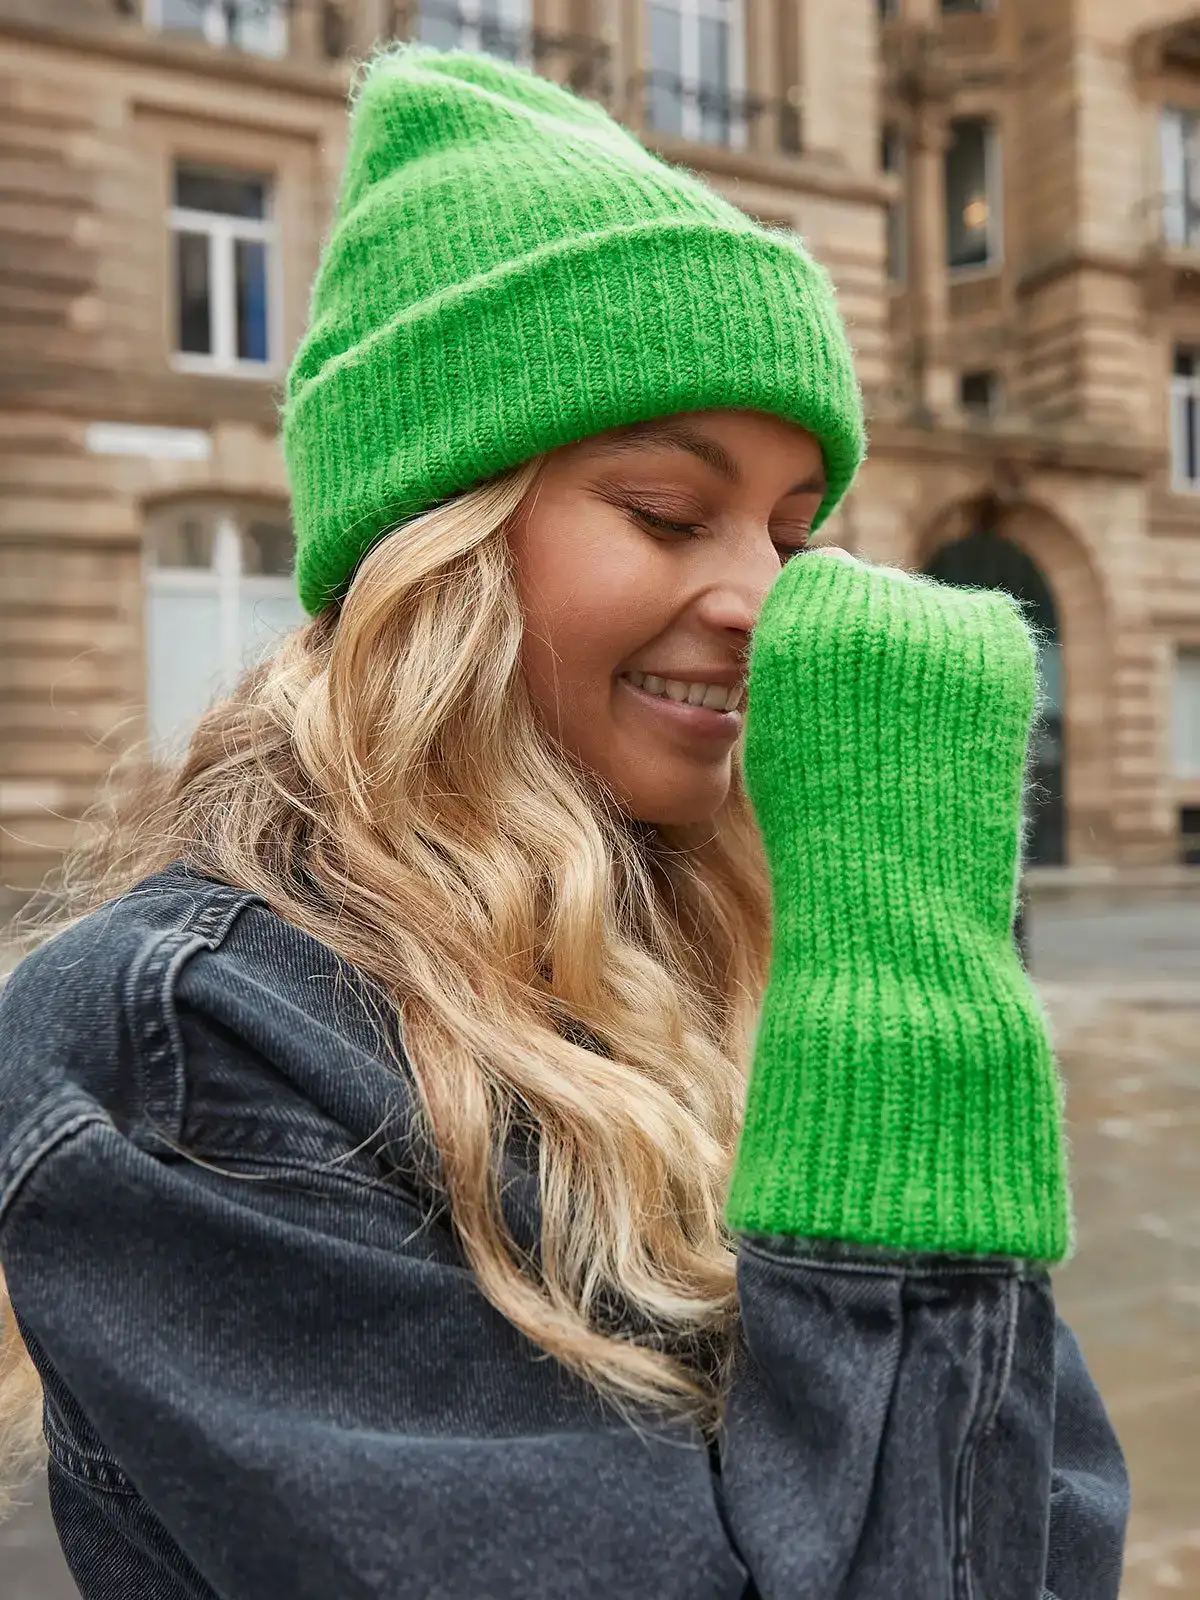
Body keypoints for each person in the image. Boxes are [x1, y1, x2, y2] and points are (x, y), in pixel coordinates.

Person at [0, 44, 1127, 1600]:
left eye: (794, 534)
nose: (763, 600)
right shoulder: (197, 1041)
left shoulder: (744, 959)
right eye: (669, 513)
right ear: (438, 543)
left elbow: (1034, 1538)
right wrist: (899, 989)